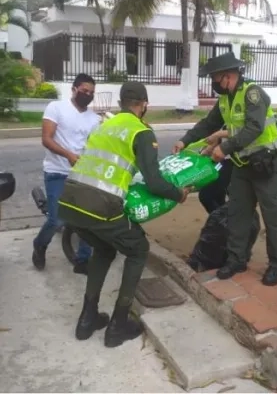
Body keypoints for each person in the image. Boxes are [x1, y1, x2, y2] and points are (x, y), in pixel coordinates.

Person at [57, 82, 189, 346]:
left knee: (105, 249)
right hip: (100, 205)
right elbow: (154, 182)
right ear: (143, 105)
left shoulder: (104, 125)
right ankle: (117, 325)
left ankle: (87, 319)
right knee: (138, 249)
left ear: (121, 103)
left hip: (70, 202)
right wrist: (179, 194)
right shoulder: (141, 132)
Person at [173, 52, 277, 286]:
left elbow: (254, 128)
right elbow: (208, 123)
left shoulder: (252, 93)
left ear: (228, 76)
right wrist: (184, 140)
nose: (214, 84)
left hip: (268, 164)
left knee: (273, 216)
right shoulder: (226, 99)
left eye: (215, 79)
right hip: (243, 166)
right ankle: (237, 259)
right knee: (238, 214)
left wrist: (224, 147)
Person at [32, 73, 101, 274]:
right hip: (57, 172)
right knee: (57, 219)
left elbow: (93, 146)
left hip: (81, 174)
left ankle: (82, 261)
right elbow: (46, 138)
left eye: (91, 93)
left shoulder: (94, 119)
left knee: (86, 218)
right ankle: (39, 245)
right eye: (84, 91)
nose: (87, 95)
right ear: (74, 89)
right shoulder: (56, 108)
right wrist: (68, 154)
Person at [197, 128, 233, 214]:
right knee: (217, 196)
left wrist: (218, 134)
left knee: (206, 196)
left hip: (236, 160)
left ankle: (221, 221)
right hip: (222, 159)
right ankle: (223, 222)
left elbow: (243, 131)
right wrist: (209, 149)